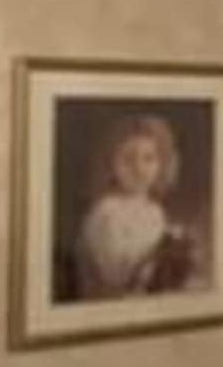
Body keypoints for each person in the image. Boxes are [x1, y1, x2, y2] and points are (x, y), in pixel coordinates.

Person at [74, 111, 198, 298]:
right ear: (110, 164)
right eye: (127, 159)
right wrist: (159, 254)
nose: (139, 169)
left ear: (162, 163)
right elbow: (115, 276)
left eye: (149, 159)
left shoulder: (155, 211)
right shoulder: (106, 212)